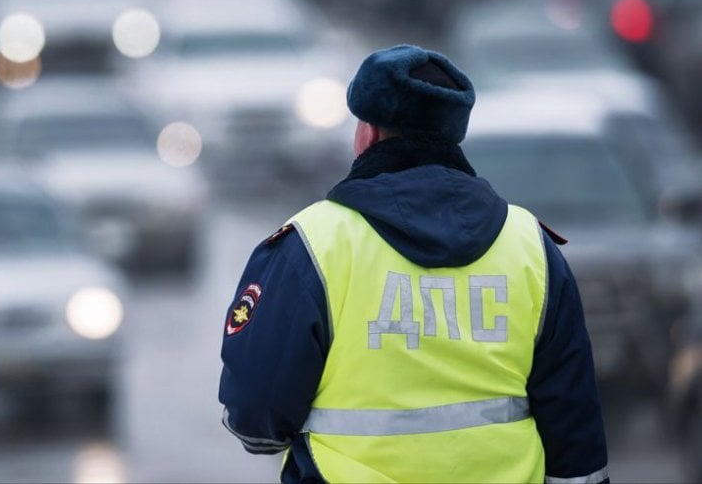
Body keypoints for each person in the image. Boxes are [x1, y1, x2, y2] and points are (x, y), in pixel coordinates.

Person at [218, 44, 608, 483]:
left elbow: (255, 417)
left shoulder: (312, 245)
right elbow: (577, 441)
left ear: (367, 134)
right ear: (453, 135)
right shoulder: (530, 248)